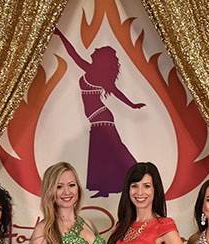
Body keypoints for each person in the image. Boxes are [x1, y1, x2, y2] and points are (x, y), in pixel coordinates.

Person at [52, 28, 145, 197]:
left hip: (101, 117)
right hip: (97, 118)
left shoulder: (95, 74)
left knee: (116, 151)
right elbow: (73, 55)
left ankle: (139, 177)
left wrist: (132, 105)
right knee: (103, 154)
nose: (93, 52)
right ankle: (106, 189)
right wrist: (61, 36)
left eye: (96, 52)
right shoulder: (93, 71)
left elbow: (116, 92)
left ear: (100, 58)